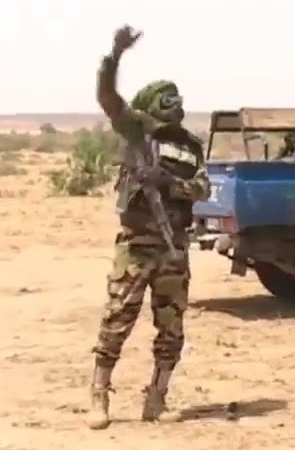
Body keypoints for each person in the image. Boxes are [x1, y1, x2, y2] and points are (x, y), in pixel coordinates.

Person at [88, 24, 212, 429]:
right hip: (137, 245)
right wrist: (114, 55)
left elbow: (202, 188)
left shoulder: (191, 146)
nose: (176, 106)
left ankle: (157, 396)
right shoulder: (136, 130)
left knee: (171, 329)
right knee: (116, 321)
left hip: (174, 248)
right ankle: (99, 394)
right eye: (168, 101)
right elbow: (107, 97)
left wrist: (172, 185)